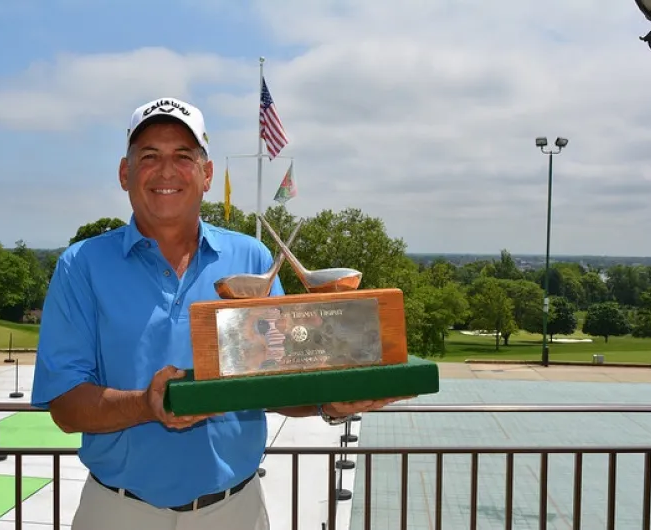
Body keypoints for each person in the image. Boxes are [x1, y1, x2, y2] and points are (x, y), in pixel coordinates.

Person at [30, 97, 405, 530]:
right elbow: (65, 404)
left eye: (183, 156)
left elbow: (280, 380)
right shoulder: (82, 265)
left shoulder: (252, 256)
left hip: (235, 510)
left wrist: (330, 403)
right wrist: (148, 405)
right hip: (117, 511)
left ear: (206, 175)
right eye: (149, 156)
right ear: (124, 173)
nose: (166, 170)